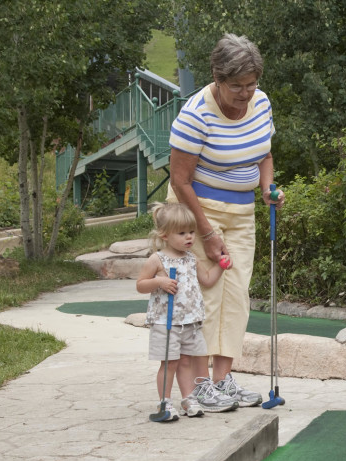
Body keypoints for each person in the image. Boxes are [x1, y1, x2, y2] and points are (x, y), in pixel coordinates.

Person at [168, 33, 284, 411]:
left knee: (236, 298)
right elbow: (179, 179)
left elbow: (264, 153)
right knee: (204, 299)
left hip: (241, 213)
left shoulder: (261, 102)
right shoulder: (196, 114)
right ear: (217, 78)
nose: (245, 93)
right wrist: (206, 232)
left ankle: (223, 381)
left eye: (251, 84)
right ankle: (200, 385)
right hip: (196, 213)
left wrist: (267, 188)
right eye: (237, 86)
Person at [136, 202, 237, 420]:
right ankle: (164, 403)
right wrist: (159, 281)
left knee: (185, 362)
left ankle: (188, 399)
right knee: (169, 362)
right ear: (164, 235)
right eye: (182, 233)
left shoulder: (192, 258)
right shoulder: (157, 259)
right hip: (167, 321)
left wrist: (221, 265)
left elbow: (207, 280)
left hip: (190, 322)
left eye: (191, 232)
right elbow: (141, 284)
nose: (189, 237)